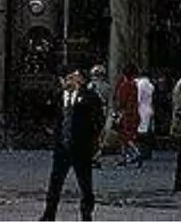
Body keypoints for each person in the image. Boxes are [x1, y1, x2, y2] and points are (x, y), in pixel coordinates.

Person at [41, 63, 105, 221]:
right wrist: (53, 132)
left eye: (69, 78)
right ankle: (49, 214)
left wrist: (92, 139)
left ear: (76, 78)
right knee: (55, 182)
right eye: (63, 80)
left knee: (85, 184)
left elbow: (98, 119)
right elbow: (49, 115)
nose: (66, 83)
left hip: (81, 147)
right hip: (62, 146)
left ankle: (86, 214)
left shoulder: (89, 96)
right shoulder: (57, 96)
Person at [112, 67, 139, 165]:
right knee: (126, 135)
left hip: (125, 113)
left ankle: (136, 152)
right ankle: (124, 157)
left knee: (125, 135)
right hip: (133, 112)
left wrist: (116, 113)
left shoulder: (124, 86)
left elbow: (121, 102)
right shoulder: (134, 85)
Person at [134, 67, 156, 164]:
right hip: (149, 108)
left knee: (141, 131)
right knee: (148, 131)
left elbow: (138, 98)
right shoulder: (150, 85)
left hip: (141, 109)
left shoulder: (140, 84)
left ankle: (141, 151)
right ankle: (148, 151)